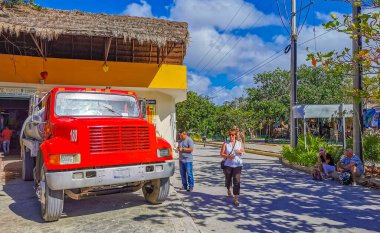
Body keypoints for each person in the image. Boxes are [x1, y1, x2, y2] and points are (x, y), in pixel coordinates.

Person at [220, 129, 245, 206]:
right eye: (230, 135)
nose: (231, 136)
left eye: (233, 135)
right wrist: (228, 156)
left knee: (237, 181)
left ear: (235, 136)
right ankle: (228, 189)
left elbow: (243, 152)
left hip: (238, 165)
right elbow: (221, 153)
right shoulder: (225, 143)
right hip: (228, 165)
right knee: (228, 179)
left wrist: (239, 152)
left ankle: (236, 198)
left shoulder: (239, 143)